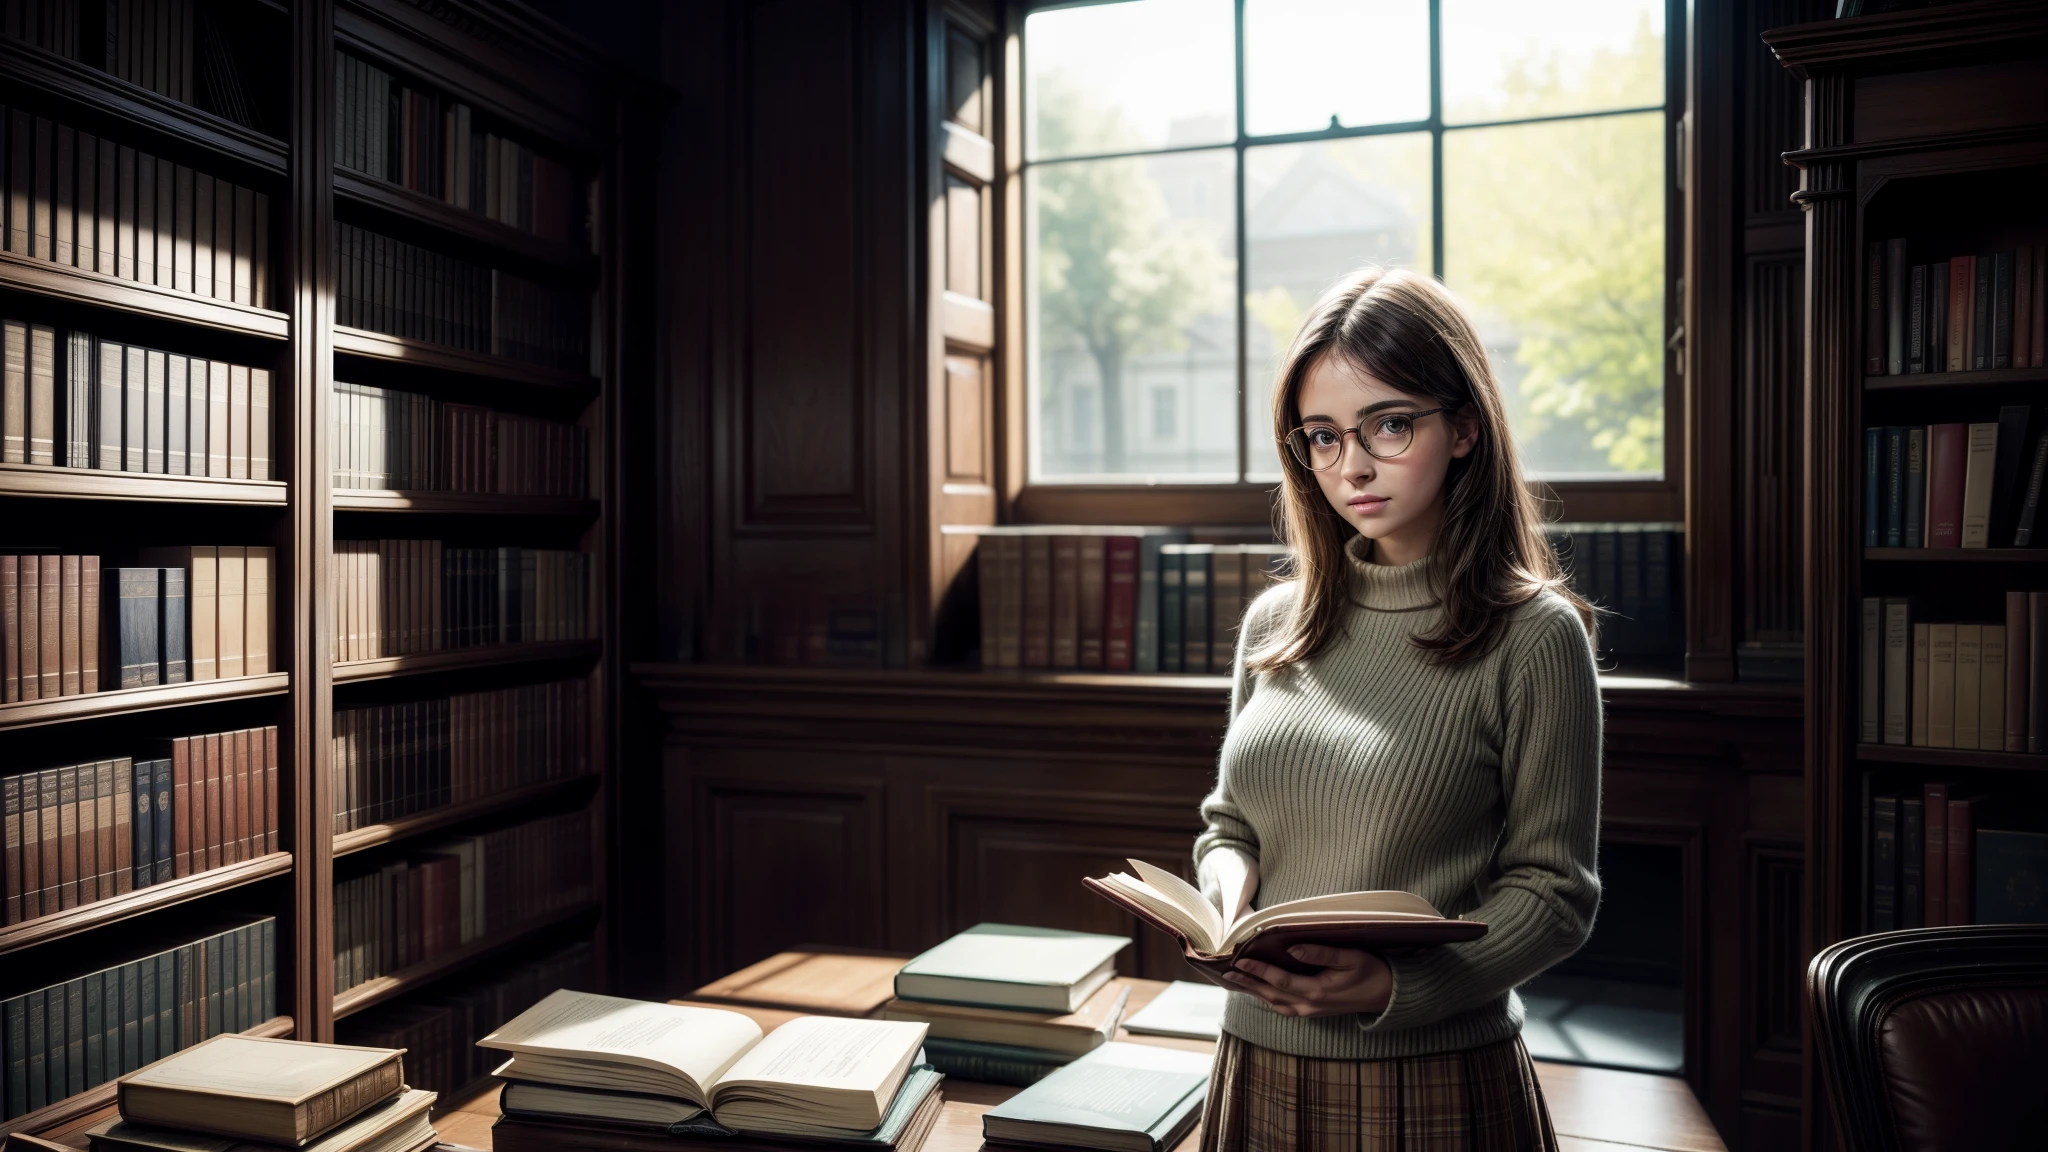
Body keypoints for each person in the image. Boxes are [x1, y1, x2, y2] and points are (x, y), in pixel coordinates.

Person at [1194, 266, 1602, 1151]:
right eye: (1322, 437)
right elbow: (1231, 825)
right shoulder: (1276, 622)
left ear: (1463, 428)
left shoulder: (1535, 636)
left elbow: (1556, 893)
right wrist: (1226, 899)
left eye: (1388, 424)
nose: (1354, 466)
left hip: (1426, 1077)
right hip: (1253, 1055)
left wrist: (1395, 988)